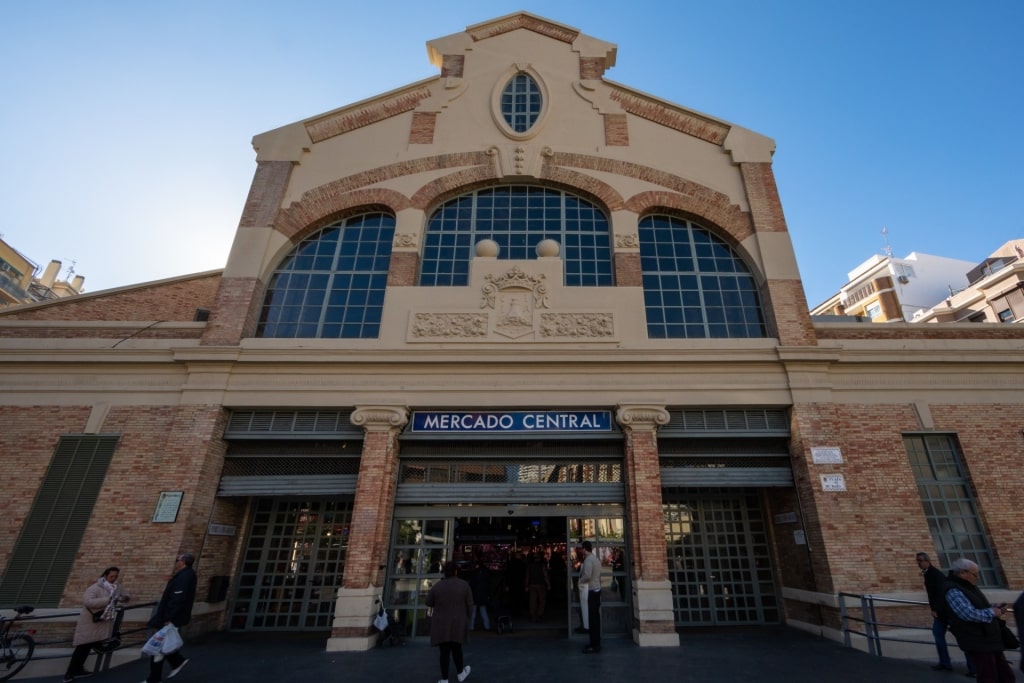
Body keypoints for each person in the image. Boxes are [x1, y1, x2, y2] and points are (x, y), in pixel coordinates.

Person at [943, 558, 1014, 683]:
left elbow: (978, 606)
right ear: (962, 573)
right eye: (975, 574)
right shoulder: (953, 590)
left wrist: (994, 608)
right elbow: (967, 614)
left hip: (989, 638)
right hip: (978, 640)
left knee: (1005, 675)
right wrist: (992, 612)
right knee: (988, 676)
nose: (978, 578)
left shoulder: (969, 587)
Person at [63, 566, 131, 682]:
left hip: (102, 621)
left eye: (115, 576)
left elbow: (127, 596)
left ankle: (79, 669)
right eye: (111, 576)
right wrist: (108, 599)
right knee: (82, 648)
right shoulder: (95, 587)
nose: (113, 579)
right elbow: (87, 602)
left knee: (88, 647)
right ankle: (69, 673)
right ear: (105, 576)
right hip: (91, 622)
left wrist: (123, 598)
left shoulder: (117, 587)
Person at [145, 552, 198, 683]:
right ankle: (172, 665)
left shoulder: (185, 576)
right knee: (160, 646)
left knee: (158, 646)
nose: (175, 562)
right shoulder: (185, 575)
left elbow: (177, 598)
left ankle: (162, 673)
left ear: (183, 562)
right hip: (170, 616)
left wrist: (168, 617)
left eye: (177, 560)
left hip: (170, 617)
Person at [425, 561, 473, 683]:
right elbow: (470, 604)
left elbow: (428, 601)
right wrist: (468, 617)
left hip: (441, 624)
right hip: (458, 623)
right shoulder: (464, 585)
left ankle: (444, 679)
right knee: (457, 649)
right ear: (456, 571)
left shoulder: (438, 586)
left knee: (444, 652)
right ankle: (460, 673)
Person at [916, 552, 956, 672]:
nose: (918, 563)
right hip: (941, 612)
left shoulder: (934, 574)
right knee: (938, 635)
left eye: (920, 560)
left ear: (927, 561)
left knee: (960, 637)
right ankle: (945, 662)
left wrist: (936, 609)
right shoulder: (929, 573)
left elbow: (940, 593)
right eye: (917, 561)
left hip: (944, 612)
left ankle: (973, 667)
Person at [578, 541, 601, 654]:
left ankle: (594, 645)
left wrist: (580, 581)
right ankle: (596, 643)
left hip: (591, 590)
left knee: (592, 619)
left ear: (584, 549)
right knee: (595, 618)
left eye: (581, 549)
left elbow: (587, 575)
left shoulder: (588, 560)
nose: (581, 551)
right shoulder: (595, 559)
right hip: (597, 589)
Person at [525, 552, 550, 622]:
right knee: (542, 601)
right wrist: (548, 584)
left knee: (533, 601)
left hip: (532, 585)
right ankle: (539, 614)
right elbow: (545, 575)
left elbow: (527, 576)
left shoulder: (530, 566)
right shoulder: (542, 565)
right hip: (541, 584)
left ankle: (533, 616)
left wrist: (526, 585)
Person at [468, 557, 491, 631]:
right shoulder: (486, 572)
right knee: (483, 611)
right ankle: (487, 626)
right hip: (483, 594)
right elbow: (488, 584)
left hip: (475, 594)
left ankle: (471, 626)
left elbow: (472, 584)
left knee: (473, 612)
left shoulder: (475, 573)